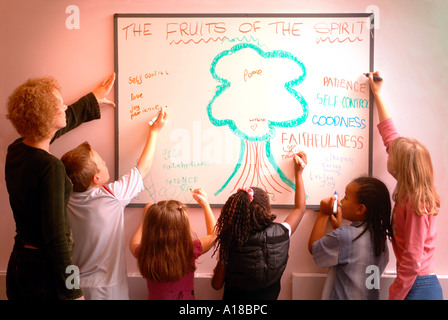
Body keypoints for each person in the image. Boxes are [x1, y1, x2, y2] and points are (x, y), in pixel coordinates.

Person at [5, 73, 115, 300]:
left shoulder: (16, 150)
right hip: (43, 272)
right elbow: (57, 238)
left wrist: (91, 101)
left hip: (19, 262)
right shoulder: (50, 167)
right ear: (45, 117)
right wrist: (74, 290)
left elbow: (56, 129)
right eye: (59, 105)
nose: (65, 106)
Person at [61, 107, 168, 299]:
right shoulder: (111, 195)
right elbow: (143, 168)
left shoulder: (63, 200)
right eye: (101, 161)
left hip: (74, 286)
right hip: (108, 290)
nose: (105, 161)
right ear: (96, 178)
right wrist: (154, 132)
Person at [368, 71, 442, 300]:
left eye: (392, 155)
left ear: (399, 168)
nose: (388, 152)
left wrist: (396, 293)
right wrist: (378, 94)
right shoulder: (409, 190)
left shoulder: (417, 204)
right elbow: (390, 134)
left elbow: (412, 257)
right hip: (414, 283)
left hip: (417, 286)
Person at [211, 152, 307, 300]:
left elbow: (216, 285)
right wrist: (299, 173)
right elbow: (300, 209)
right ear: (267, 209)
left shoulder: (230, 239)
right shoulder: (281, 233)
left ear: (238, 213)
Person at [308, 176, 393, 299]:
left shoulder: (344, 236)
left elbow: (314, 248)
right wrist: (338, 230)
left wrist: (323, 213)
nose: (341, 201)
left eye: (346, 197)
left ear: (360, 209)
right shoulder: (381, 240)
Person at [129, 188, 216, 300]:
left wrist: (144, 219)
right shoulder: (189, 249)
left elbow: (134, 242)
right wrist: (205, 205)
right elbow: (213, 236)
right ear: (183, 227)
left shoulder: (145, 252)